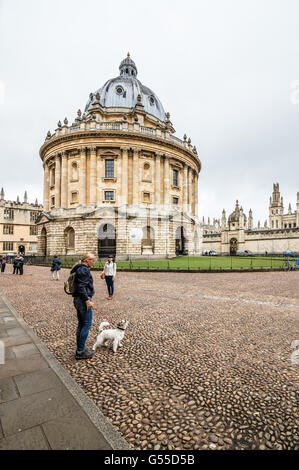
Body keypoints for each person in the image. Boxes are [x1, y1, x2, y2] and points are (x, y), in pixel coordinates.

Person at [70, 253, 96, 360]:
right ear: (87, 260)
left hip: (77, 299)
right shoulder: (84, 270)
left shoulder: (78, 268)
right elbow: (81, 286)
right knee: (87, 324)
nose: (94, 262)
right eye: (93, 260)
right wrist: (87, 301)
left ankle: (80, 349)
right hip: (82, 300)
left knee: (81, 324)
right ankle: (80, 351)